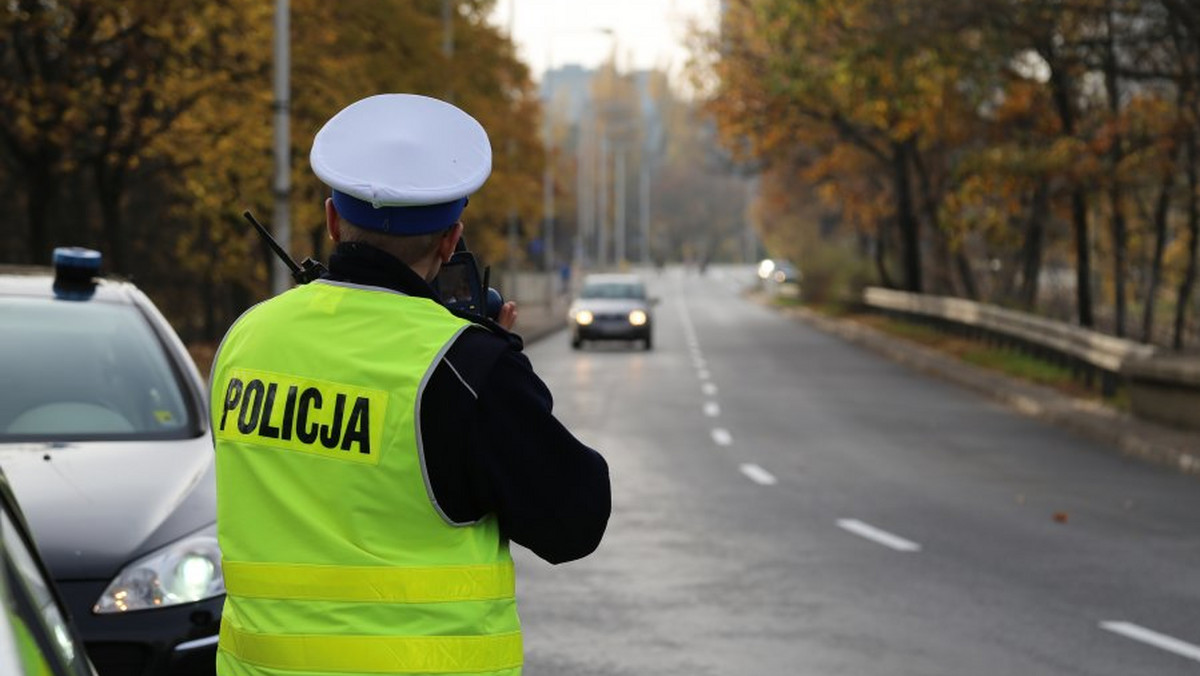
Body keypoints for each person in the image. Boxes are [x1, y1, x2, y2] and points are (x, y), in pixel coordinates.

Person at [210, 93, 611, 676]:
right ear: (451, 241)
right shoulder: (465, 367)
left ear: (330, 221)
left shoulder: (245, 339)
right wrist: (501, 371)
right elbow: (574, 520)